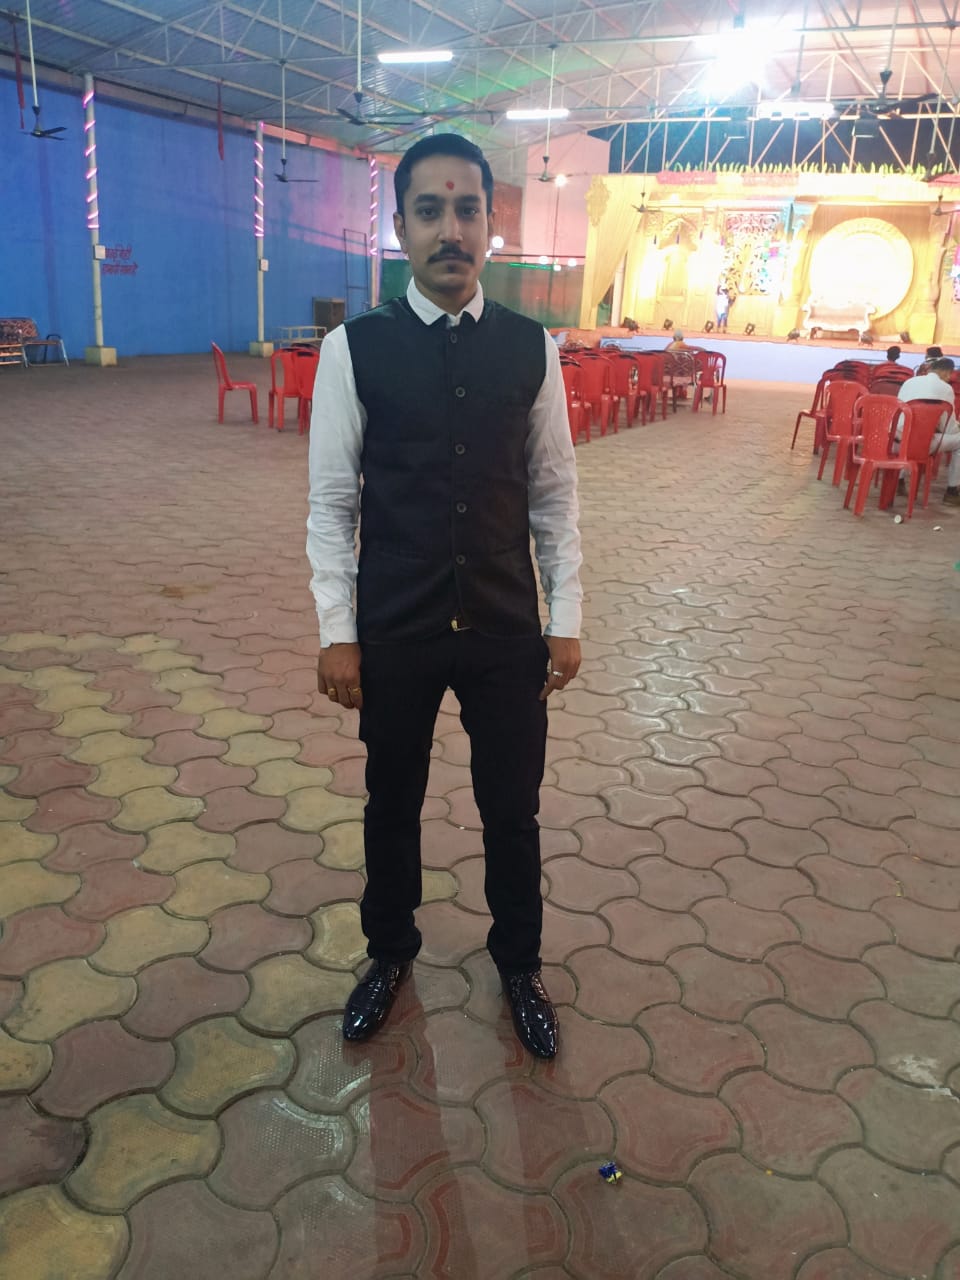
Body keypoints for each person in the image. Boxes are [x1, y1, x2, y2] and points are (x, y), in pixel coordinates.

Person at [306, 133, 583, 1059]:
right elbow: (332, 503)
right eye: (430, 211)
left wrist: (567, 618)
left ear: (490, 225)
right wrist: (338, 631)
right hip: (397, 621)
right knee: (392, 800)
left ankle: (520, 964)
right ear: (401, 227)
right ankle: (389, 953)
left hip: (505, 622)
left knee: (512, 807)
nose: (450, 230)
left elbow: (554, 495)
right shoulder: (353, 350)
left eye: (467, 210)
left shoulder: (531, 349)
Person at [896, 356, 960, 506]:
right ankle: (952, 491)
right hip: (922, 445)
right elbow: (948, 429)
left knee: (908, 433)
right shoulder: (946, 388)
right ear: (946, 373)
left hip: (896, 442)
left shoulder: (909, 382)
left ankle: (899, 480)